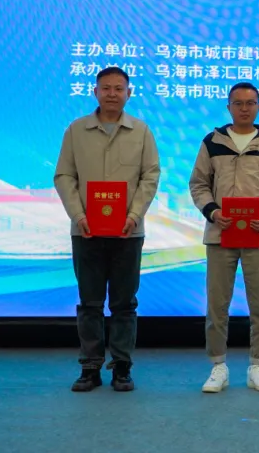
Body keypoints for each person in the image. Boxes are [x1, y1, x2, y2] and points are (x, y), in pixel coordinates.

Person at [54, 66, 161, 393]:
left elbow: (150, 176)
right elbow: (64, 176)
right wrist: (79, 215)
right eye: (106, 88)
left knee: (124, 303)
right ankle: (90, 367)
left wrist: (134, 215)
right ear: (95, 92)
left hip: (128, 232)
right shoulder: (76, 130)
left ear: (129, 93)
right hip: (86, 231)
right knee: (90, 302)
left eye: (118, 88)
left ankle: (122, 367)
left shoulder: (141, 131)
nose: (112, 93)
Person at [189, 82, 259, 394]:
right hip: (219, 234)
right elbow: (198, 183)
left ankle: (258, 366)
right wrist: (212, 211)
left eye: (250, 103)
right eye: (238, 103)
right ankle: (218, 366)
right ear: (229, 107)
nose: (244, 108)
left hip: (257, 235)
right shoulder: (212, 142)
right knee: (216, 305)